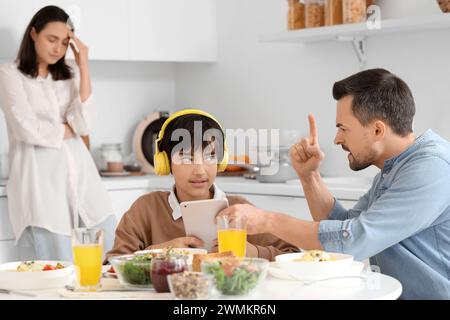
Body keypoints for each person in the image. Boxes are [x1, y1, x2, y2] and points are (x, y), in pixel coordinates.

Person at [218, 69, 450, 299]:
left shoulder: (432, 168)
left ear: (377, 129)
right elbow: (342, 228)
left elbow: (353, 240)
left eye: (343, 128)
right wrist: (310, 178)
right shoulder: (393, 171)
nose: (337, 139)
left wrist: (267, 220)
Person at [0, 6, 116, 261]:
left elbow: (84, 125)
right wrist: (68, 128)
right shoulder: (9, 74)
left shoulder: (70, 74)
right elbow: (26, 129)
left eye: (64, 43)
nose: (58, 49)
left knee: (109, 255)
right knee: (55, 269)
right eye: (51, 39)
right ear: (33, 33)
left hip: (83, 178)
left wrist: (84, 66)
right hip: (40, 184)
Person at [106, 109, 299, 261]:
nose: (199, 170)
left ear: (221, 160)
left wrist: (252, 252)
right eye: (186, 157)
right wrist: (159, 253)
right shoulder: (146, 209)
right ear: (165, 162)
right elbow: (113, 264)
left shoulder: (239, 210)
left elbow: (293, 254)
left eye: (210, 156)